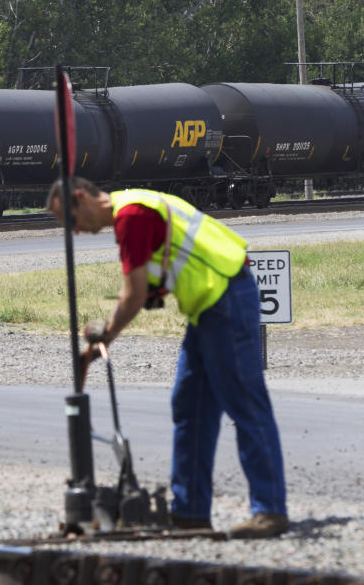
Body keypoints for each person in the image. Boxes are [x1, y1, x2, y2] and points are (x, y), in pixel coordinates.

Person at [46, 177, 288, 539]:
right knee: (190, 406)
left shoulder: (132, 217)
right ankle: (190, 513)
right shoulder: (134, 205)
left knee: (246, 402)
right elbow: (151, 282)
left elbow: (134, 294)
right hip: (210, 305)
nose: (75, 231)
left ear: (81, 198)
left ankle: (269, 510)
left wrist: (105, 338)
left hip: (225, 296)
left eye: (70, 220)